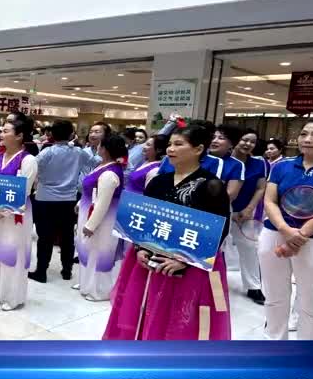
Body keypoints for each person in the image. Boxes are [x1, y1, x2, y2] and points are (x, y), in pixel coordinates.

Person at [103, 124, 233, 340]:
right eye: (170, 144)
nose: (171, 149)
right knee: (142, 307)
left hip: (193, 263)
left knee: (185, 318)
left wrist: (185, 260)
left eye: (179, 144)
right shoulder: (158, 181)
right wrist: (140, 248)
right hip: (152, 257)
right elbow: (144, 220)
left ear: (198, 149)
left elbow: (220, 230)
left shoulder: (211, 185)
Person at [260, 119, 313, 341]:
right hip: (273, 234)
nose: (307, 139)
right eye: (304, 134)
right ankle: (275, 345)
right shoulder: (281, 166)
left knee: (309, 302)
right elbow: (269, 201)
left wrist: (300, 235)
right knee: (274, 297)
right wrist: (285, 230)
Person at [0, 118, 38, 310]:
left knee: (12, 254)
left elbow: (24, 193)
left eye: (6, 131)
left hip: (16, 216)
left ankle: (11, 297)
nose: (1, 134)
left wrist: (2, 213)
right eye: (2, 130)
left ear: (19, 136)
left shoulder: (28, 160)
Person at [30, 120, 94, 283]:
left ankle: (41, 271)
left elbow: (32, 167)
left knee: (45, 237)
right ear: (71, 134)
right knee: (67, 236)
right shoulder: (79, 152)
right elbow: (96, 162)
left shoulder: (47, 152)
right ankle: (67, 270)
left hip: (45, 199)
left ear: (52, 134)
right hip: (68, 199)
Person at [75, 135, 127, 301]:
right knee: (88, 250)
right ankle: (87, 283)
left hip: (103, 221)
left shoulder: (110, 174)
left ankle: (100, 290)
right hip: (87, 211)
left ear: (105, 149)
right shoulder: (102, 166)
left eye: (100, 145)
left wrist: (91, 225)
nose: (97, 147)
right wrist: (80, 203)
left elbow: (103, 203)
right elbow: (92, 191)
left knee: (101, 252)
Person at [229, 128, 268, 305]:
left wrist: (249, 209)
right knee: (215, 248)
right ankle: (211, 283)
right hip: (220, 210)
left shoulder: (259, 164)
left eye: (252, 141)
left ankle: (254, 286)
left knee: (249, 247)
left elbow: (260, 188)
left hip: (244, 212)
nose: (248, 144)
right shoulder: (224, 161)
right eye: (244, 139)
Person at [208, 124, 247, 202]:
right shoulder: (199, 157)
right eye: (213, 137)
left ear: (231, 144)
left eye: (221, 138)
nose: (214, 141)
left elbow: (231, 195)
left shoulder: (237, 165)